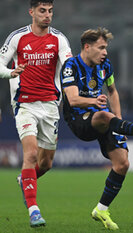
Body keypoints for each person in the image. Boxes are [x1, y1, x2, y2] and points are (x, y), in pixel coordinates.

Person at [60, 27, 133, 230]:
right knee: (105, 115)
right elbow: (71, 99)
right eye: (101, 47)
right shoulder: (71, 66)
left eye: (106, 47)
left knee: (122, 164)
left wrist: (119, 120)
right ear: (87, 47)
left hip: (104, 117)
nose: (105, 52)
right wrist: (94, 101)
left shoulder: (105, 65)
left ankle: (101, 209)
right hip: (79, 119)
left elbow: (113, 91)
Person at [0, 0, 72, 227]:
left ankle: (25, 179)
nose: (47, 15)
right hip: (24, 104)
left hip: (50, 106)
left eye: (50, 11)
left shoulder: (59, 39)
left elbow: (69, 67)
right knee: (30, 154)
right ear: (31, 12)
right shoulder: (17, 37)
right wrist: (11, 73)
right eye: (42, 11)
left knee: (46, 163)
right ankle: (33, 210)